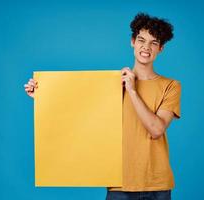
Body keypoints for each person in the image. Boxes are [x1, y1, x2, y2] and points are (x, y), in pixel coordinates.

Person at [24, 12, 181, 200]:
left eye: (153, 43)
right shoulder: (112, 84)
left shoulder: (170, 86)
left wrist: (132, 90)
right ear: (132, 41)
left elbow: (156, 129)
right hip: (118, 183)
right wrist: (44, 96)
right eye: (141, 40)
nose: (146, 47)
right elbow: (78, 113)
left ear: (161, 48)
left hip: (157, 185)